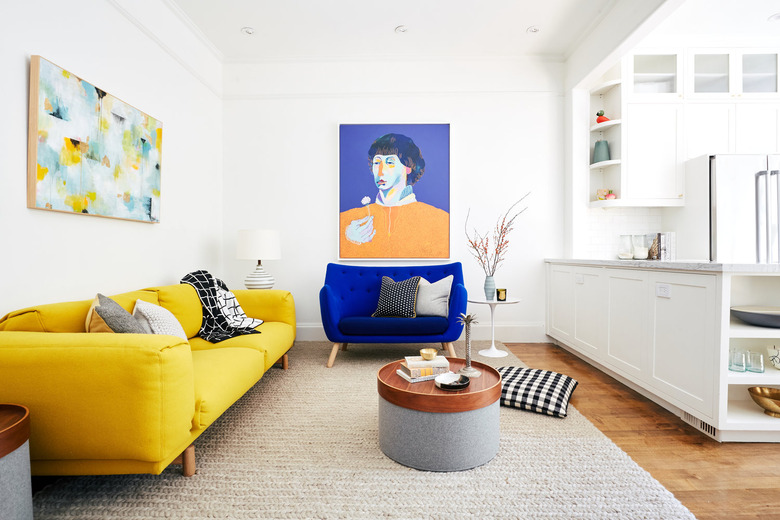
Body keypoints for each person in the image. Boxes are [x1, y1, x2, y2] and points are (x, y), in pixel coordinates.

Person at [340, 133, 449, 258]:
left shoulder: (439, 219)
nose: (381, 171)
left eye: (390, 162)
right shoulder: (348, 220)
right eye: (377, 163)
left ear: (408, 168)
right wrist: (348, 238)